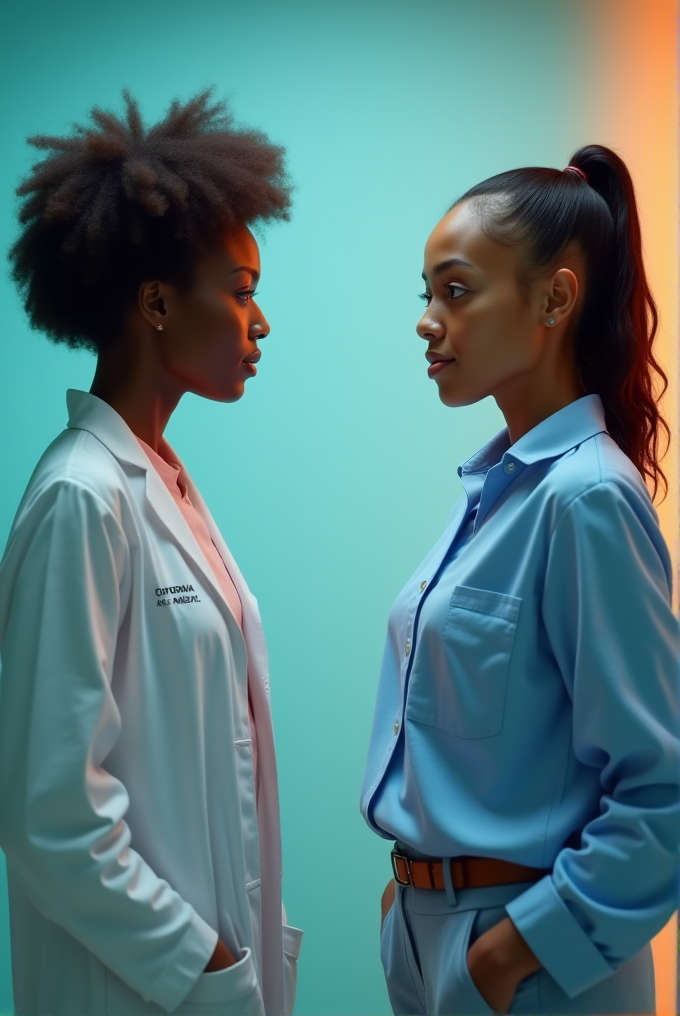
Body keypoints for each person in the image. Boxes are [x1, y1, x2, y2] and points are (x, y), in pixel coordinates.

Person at [0, 90, 302, 1016]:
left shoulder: (162, 480)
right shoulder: (82, 499)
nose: (260, 324)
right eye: (242, 290)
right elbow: (51, 815)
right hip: (139, 987)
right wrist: (204, 964)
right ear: (159, 302)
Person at [360, 145, 679, 1015]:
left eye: (455, 291)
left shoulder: (588, 499)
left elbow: (662, 791)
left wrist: (513, 951)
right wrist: (413, 906)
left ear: (555, 298)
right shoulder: (497, 498)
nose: (428, 320)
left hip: (525, 961)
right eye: (425, 295)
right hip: (433, 939)